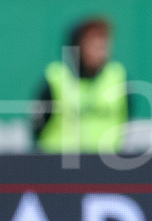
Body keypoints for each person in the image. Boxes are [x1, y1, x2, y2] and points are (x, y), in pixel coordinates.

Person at [32, 17, 131, 153]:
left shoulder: (119, 78)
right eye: (92, 42)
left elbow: (127, 122)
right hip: (59, 161)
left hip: (107, 162)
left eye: (103, 42)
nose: (100, 49)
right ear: (77, 45)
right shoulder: (55, 79)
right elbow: (37, 126)